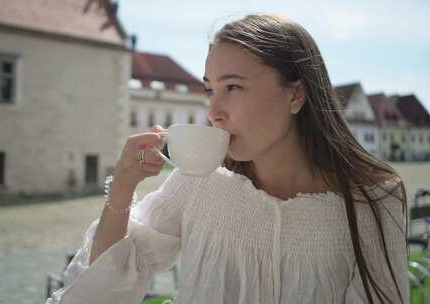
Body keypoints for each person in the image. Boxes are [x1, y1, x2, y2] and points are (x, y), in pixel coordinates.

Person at [46, 14, 409, 304]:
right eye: (209, 90)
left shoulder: (374, 202)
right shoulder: (198, 182)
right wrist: (122, 189)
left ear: (296, 94)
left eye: (233, 87)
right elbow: (99, 294)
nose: (214, 111)